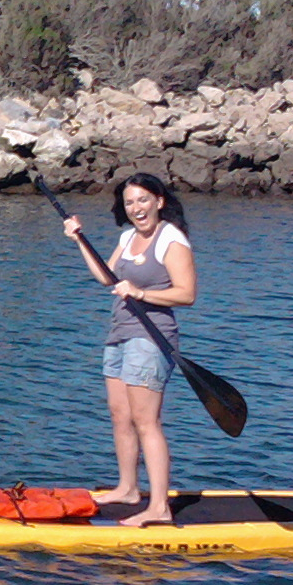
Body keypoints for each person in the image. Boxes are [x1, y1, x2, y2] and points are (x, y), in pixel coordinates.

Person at [62, 173, 197, 527]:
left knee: (146, 421)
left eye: (142, 200)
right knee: (120, 415)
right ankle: (127, 488)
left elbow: (186, 293)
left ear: (159, 201)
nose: (136, 208)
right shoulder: (127, 237)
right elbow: (108, 277)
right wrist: (79, 239)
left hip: (152, 338)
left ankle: (160, 508)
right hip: (119, 333)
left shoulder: (171, 238)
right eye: (129, 203)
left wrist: (141, 293)